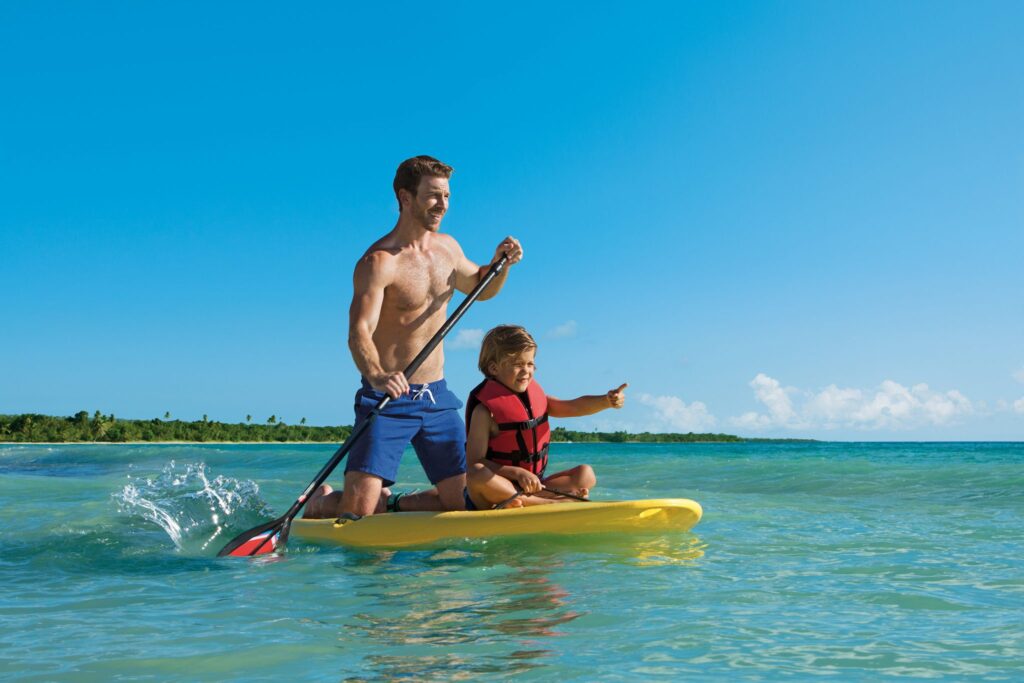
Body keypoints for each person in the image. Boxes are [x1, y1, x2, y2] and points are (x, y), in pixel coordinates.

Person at [303, 156, 523, 519]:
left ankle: (395, 503)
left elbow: (481, 287)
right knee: (358, 515)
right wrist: (377, 375)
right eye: (434, 195)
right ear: (405, 198)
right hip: (388, 397)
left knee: (462, 505)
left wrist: (501, 265)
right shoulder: (379, 262)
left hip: (436, 396)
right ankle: (323, 502)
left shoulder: (448, 249)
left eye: (447, 196)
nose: (443, 205)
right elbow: (358, 332)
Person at [464, 325, 627, 509]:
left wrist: (606, 401)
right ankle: (546, 503)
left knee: (585, 474)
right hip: (494, 490)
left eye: (530, 363)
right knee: (477, 474)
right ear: (494, 368)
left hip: (532, 487)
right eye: (518, 364)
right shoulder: (484, 412)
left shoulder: (536, 398)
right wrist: (516, 473)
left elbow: (573, 406)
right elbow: (474, 463)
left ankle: (533, 501)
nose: (526, 370)